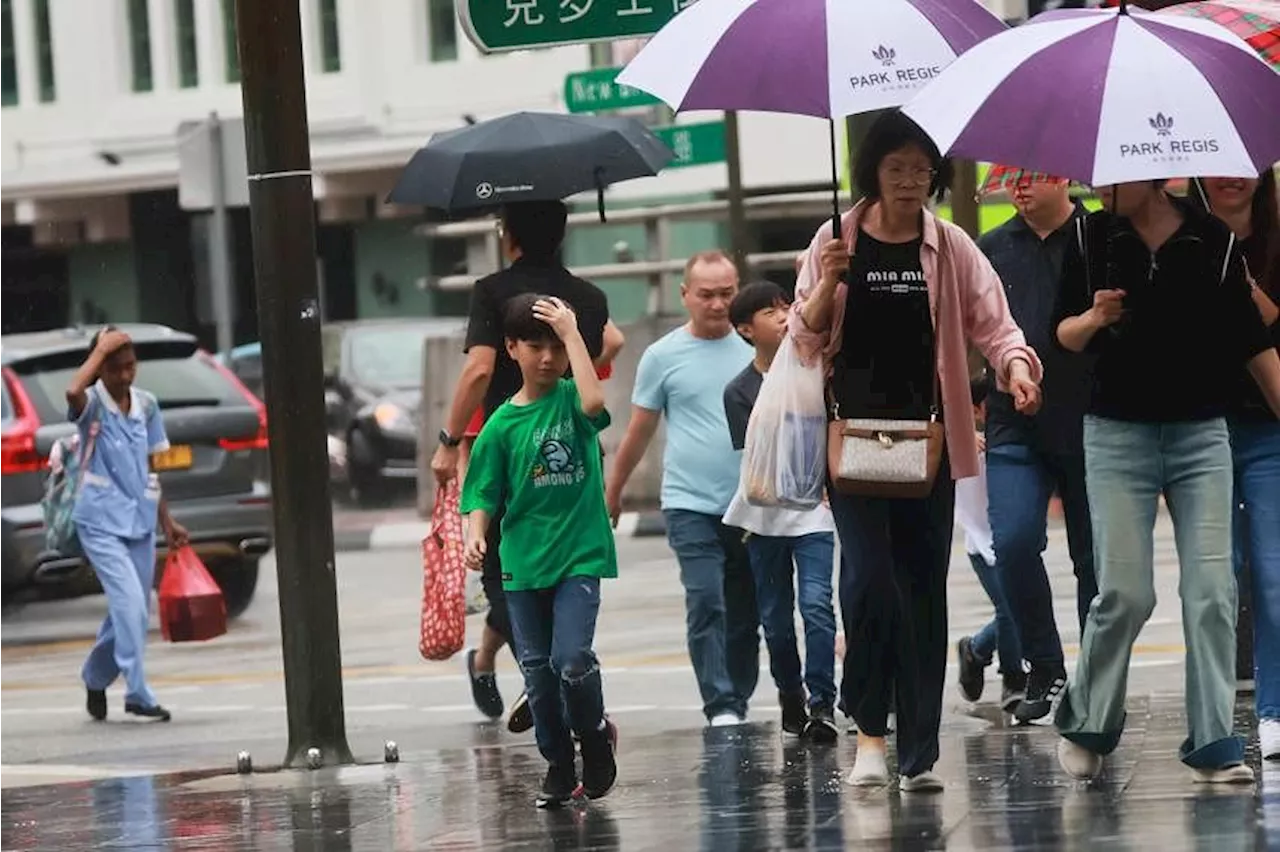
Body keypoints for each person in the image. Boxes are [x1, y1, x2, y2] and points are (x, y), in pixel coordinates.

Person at [792, 109, 1043, 792]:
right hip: (851, 445)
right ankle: (870, 734)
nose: (910, 181)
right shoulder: (833, 240)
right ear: (872, 171)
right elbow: (804, 340)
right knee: (870, 582)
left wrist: (1017, 367)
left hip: (930, 444)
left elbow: (996, 324)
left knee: (922, 590)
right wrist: (826, 285)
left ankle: (918, 754)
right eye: (897, 168)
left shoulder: (951, 244)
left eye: (922, 169)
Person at [1053, 180, 1280, 784]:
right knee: (1126, 594)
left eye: (1108, 180)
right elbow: (1062, 335)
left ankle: (1214, 743)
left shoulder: (1212, 240)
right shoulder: (1090, 233)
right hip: (1114, 436)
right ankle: (1088, 719)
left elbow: (1253, 341)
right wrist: (1094, 317)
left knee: (1212, 592)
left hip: (1201, 436)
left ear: (1148, 175)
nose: (1097, 189)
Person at [430, 201, 613, 731]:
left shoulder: (492, 291)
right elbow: (610, 348)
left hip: (510, 448)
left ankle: (544, 679)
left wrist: (449, 441)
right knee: (535, 572)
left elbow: (479, 369)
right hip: (572, 449)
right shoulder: (587, 299)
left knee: (508, 575)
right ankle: (528, 672)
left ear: (508, 235)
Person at [461, 293, 619, 808]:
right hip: (523, 563)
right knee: (538, 672)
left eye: (557, 346)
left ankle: (594, 737)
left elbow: (597, 407)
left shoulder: (575, 398)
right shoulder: (502, 426)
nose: (548, 357)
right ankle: (557, 762)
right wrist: (475, 532)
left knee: (571, 659)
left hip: (579, 553)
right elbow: (481, 491)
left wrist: (574, 332)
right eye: (536, 346)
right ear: (511, 348)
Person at [606, 250, 760, 726]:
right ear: (685, 296)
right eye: (706, 295)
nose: (717, 305)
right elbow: (639, 429)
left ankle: (739, 691)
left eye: (727, 294)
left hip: (752, 503)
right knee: (705, 600)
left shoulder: (760, 348)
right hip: (689, 503)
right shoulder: (663, 356)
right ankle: (720, 702)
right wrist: (613, 491)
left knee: (745, 609)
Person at [974, 172, 1097, 723]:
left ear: (1066, 176)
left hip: (1093, 419)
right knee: (1015, 540)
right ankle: (1044, 664)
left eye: (1031, 177)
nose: (1018, 188)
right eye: (1009, 178)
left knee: (1094, 562)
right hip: (1013, 420)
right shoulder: (991, 249)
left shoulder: (1100, 238)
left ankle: (1096, 673)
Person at [722, 281, 840, 742]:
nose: (783, 315)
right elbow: (753, 462)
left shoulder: (817, 371)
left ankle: (822, 701)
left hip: (815, 514)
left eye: (785, 306)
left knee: (816, 605)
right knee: (774, 617)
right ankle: (789, 691)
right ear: (746, 330)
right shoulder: (740, 391)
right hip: (764, 518)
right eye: (769, 312)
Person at [65, 326, 189, 723]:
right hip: (99, 520)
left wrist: (167, 521)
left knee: (132, 608)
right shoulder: (92, 406)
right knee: (131, 606)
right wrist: (100, 351)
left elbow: (154, 468)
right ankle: (137, 692)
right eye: (115, 367)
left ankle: (95, 676)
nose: (124, 376)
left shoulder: (147, 406)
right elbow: (72, 392)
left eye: (130, 367)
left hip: (139, 520)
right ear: (100, 368)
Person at [1200, 169, 1280, 756]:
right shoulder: (1180, 236)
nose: (1232, 179)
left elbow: (1270, 319)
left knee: (1274, 574)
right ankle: (1214, 713)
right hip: (1200, 428)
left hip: (1269, 427)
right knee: (1215, 577)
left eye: (1246, 167)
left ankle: (1275, 708)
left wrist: (1241, 282)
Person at [955, 377, 1025, 714]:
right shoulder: (967, 443)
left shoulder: (1008, 439)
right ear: (976, 410)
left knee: (1016, 608)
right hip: (980, 543)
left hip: (1007, 540)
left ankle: (976, 650)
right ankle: (1014, 678)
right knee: (1010, 608)